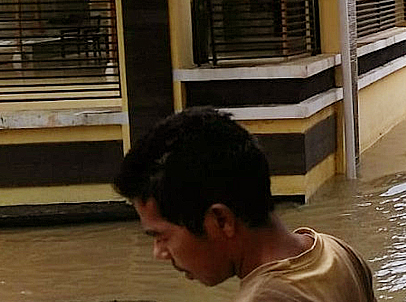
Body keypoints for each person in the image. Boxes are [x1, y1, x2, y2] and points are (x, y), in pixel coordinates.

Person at [113, 107, 377, 302]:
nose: (159, 253)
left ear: (221, 221)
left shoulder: (265, 298)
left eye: (161, 236)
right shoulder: (337, 251)